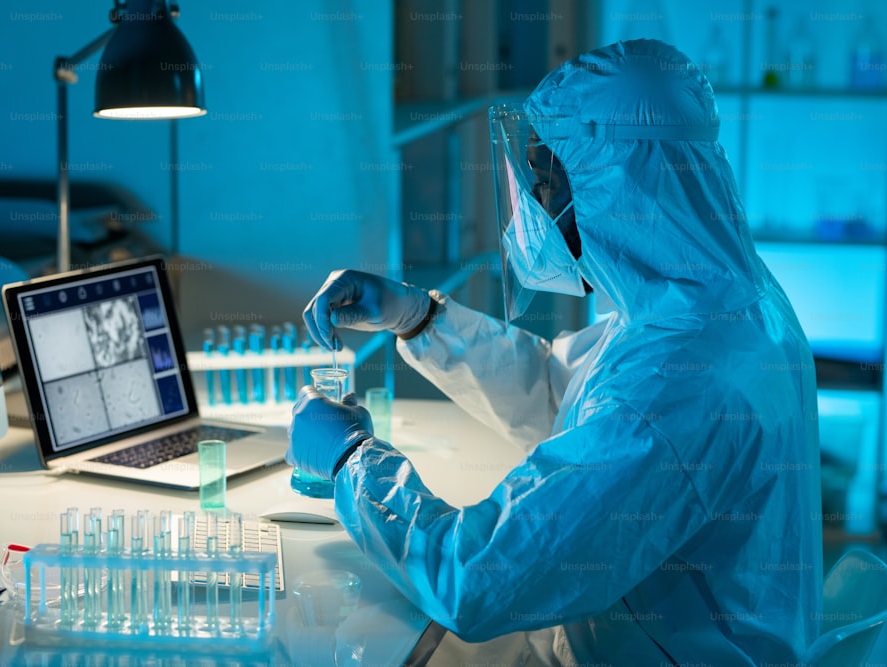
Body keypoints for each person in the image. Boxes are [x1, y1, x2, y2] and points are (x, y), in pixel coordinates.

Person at [288, 39, 822, 665]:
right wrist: (419, 317)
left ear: (613, 188)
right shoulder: (717, 302)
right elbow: (565, 394)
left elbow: (479, 579)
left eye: (544, 182)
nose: (533, 213)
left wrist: (355, 461)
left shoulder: (681, 382)